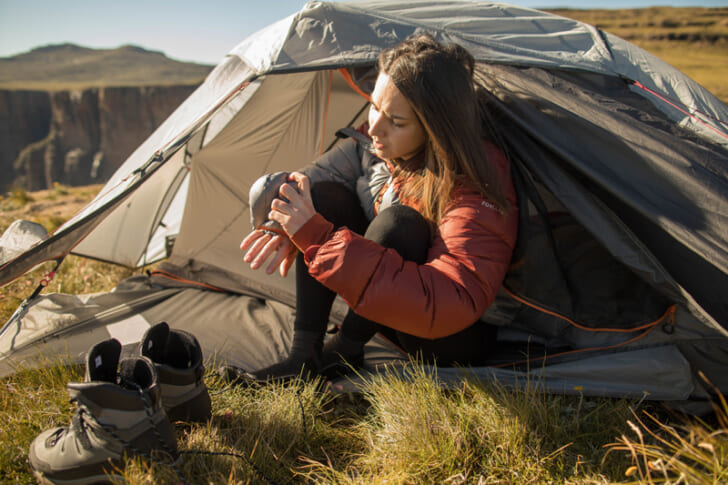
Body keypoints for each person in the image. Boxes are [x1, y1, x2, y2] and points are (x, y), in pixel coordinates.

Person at [238, 33, 518, 382]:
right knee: (320, 197)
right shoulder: (371, 143)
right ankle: (304, 357)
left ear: (436, 129)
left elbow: (452, 299)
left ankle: (344, 349)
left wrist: (315, 237)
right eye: (374, 106)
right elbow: (308, 181)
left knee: (400, 224)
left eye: (397, 122)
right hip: (387, 310)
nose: (374, 127)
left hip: (448, 334)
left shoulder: (476, 180)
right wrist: (286, 225)